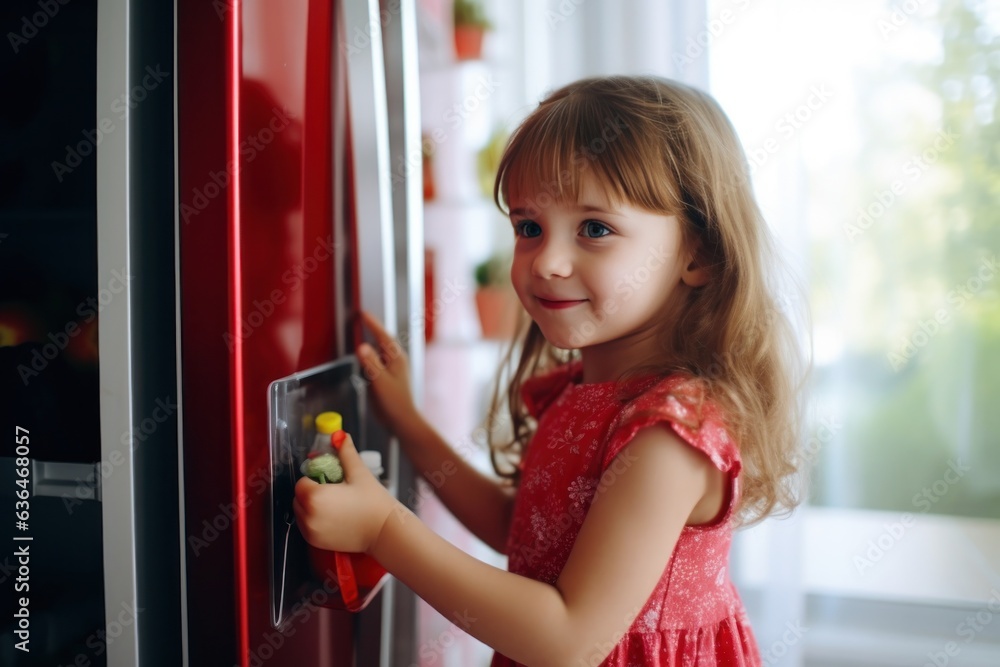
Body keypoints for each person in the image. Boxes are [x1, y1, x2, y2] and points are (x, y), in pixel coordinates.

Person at [294, 75, 806, 666]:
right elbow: (521, 530)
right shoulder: (588, 393)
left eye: (595, 229)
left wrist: (384, 531)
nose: (547, 262)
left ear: (699, 254)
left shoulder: (671, 435)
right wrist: (408, 421)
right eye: (528, 227)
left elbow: (569, 641)